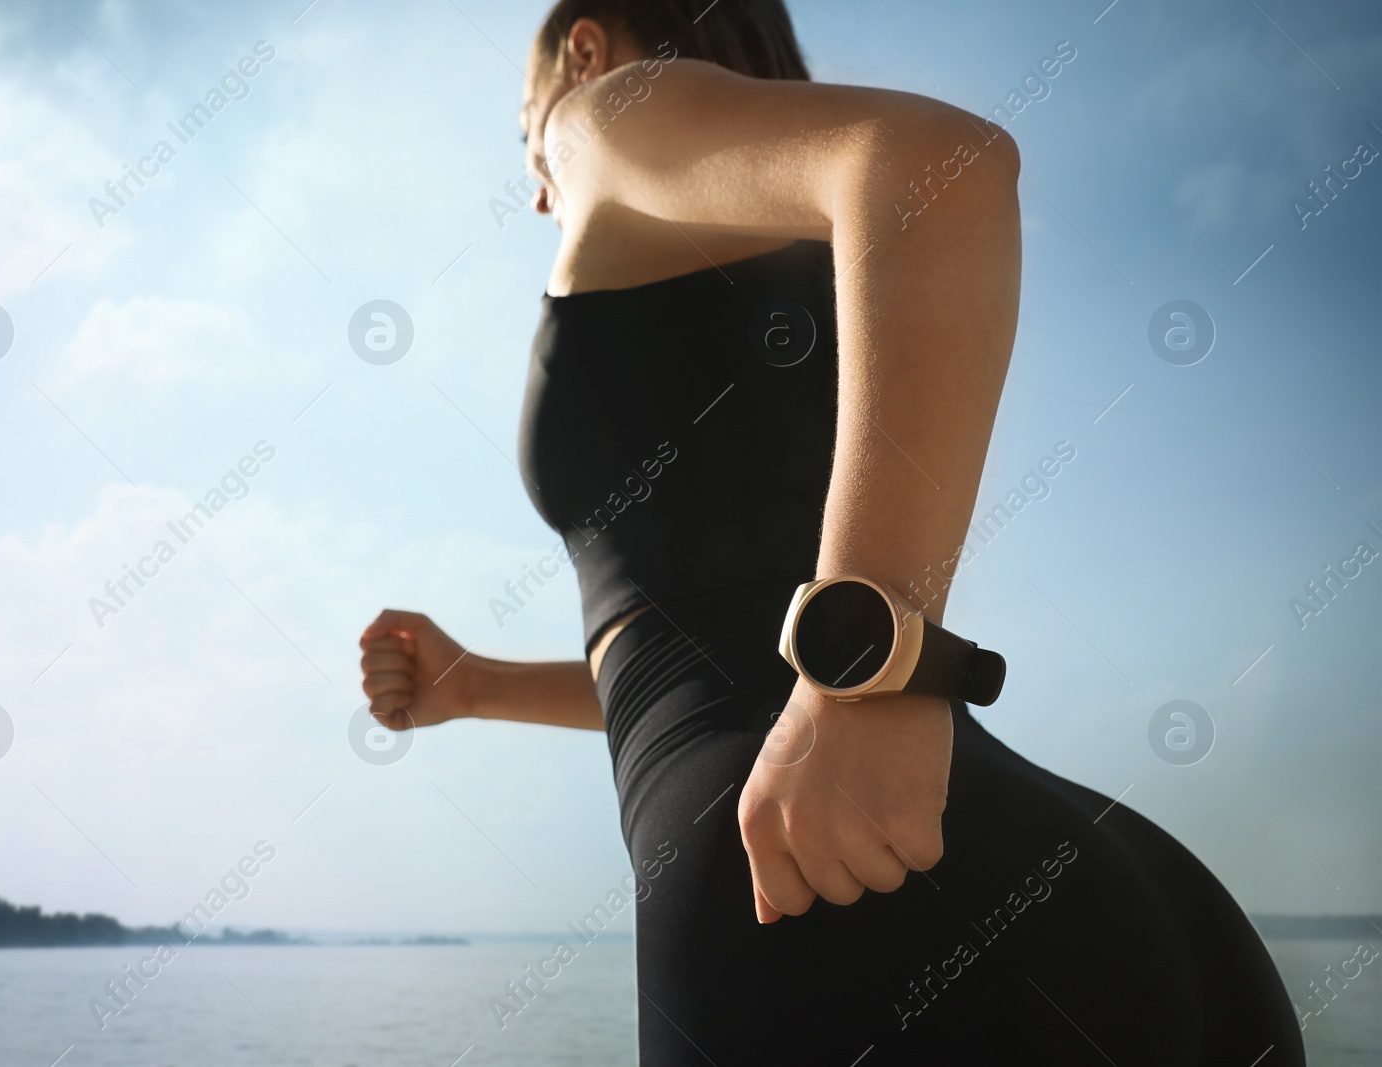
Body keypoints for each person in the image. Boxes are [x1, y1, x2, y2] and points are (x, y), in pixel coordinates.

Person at [359, 1, 1303, 1062]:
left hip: (806, 879)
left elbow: (940, 164)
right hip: (1119, 896)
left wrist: (864, 682)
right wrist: (474, 684)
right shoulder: (783, 265)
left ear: (585, 48)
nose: (534, 182)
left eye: (519, 125)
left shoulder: (605, 119)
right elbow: (702, 655)